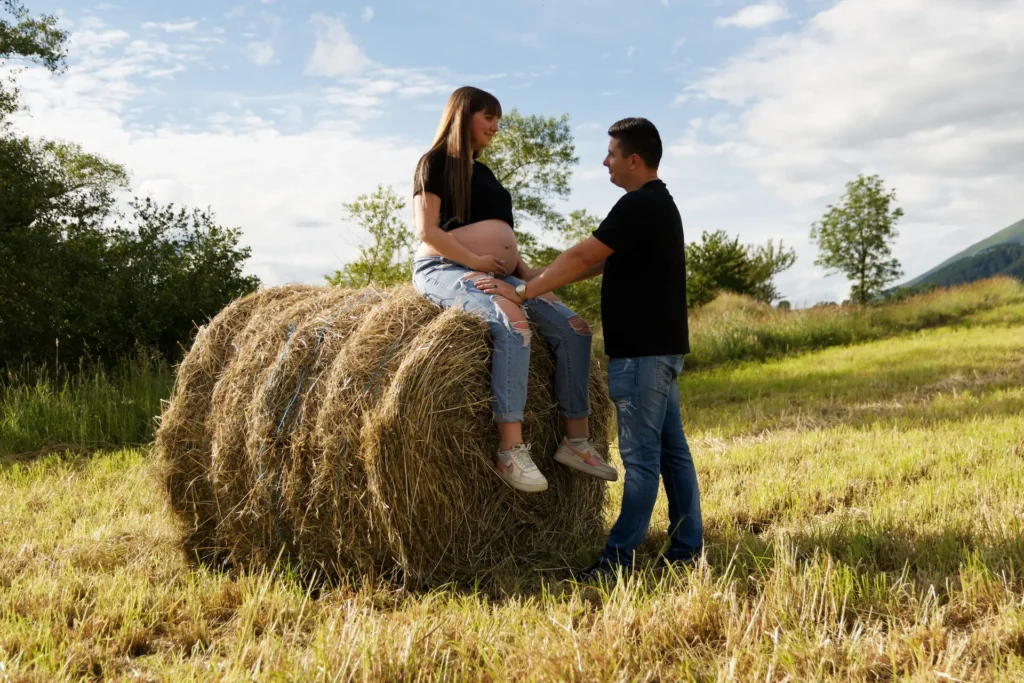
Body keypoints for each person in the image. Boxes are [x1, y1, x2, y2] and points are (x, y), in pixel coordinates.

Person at [475, 117, 703, 575]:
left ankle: (617, 561)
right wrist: (535, 282)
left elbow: (583, 255)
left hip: (641, 355)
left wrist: (520, 294)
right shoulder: (659, 205)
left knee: (640, 460)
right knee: (672, 453)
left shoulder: (638, 205)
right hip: (661, 351)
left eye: (612, 154)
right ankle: (685, 550)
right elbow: (591, 266)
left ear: (633, 160)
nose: (605, 162)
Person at [410, 86, 618, 493]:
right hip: (443, 267)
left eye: (497, 120)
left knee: (573, 327)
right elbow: (427, 230)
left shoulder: (486, 175)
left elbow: (508, 246)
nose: (495, 127)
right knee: (513, 320)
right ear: (462, 115)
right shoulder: (433, 163)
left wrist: (535, 285)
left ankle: (576, 441)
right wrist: (476, 263)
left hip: (501, 273)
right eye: (488, 117)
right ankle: (510, 449)